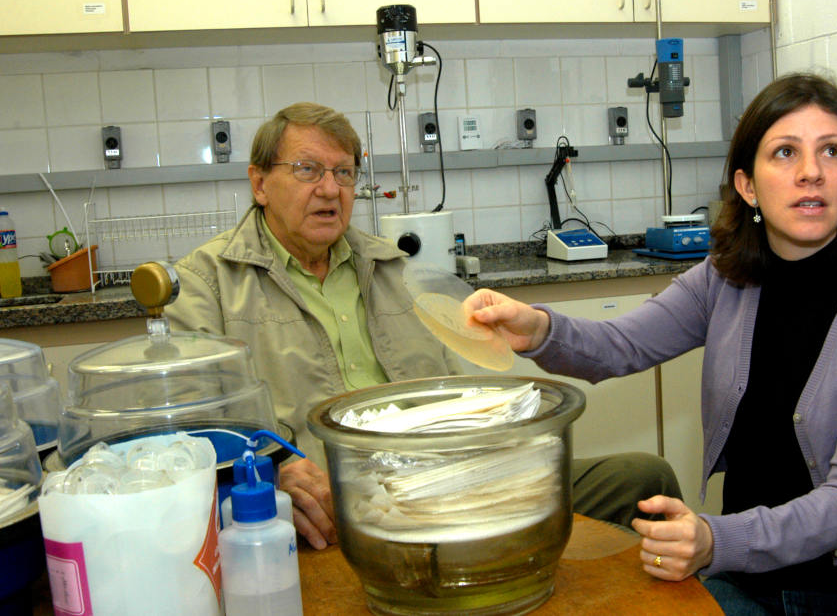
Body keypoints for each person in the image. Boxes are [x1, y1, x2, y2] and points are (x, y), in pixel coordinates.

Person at [464, 73, 837, 614]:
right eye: (785, 152)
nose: (811, 172)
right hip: (751, 579)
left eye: (832, 152)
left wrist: (714, 541)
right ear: (747, 186)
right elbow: (618, 346)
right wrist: (537, 329)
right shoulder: (722, 282)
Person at [166, 102, 680, 551]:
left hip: (450, 480)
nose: (330, 190)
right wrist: (272, 468)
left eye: (344, 173)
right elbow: (188, 427)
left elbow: (460, 390)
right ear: (259, 183)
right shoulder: (207, 283)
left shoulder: (393, 270)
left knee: (641, 478)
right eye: (307, 170)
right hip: (335, 505)